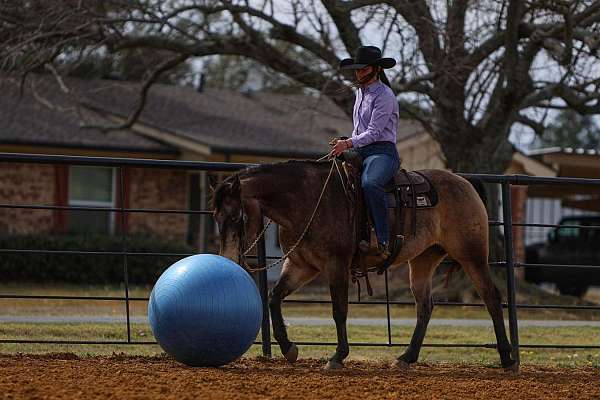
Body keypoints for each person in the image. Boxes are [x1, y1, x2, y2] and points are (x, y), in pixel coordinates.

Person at [330, 46, 401, 257]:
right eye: (357, 70)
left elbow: (375, 132)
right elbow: (360, 130)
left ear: (376, 69)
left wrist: (349, 143)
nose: (359, 73)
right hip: (362, 150)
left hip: (383, 152)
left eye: (364, 69)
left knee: (370, 183)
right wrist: (346, 143)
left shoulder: (385, 95)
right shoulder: (360, 94)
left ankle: (383, 240)